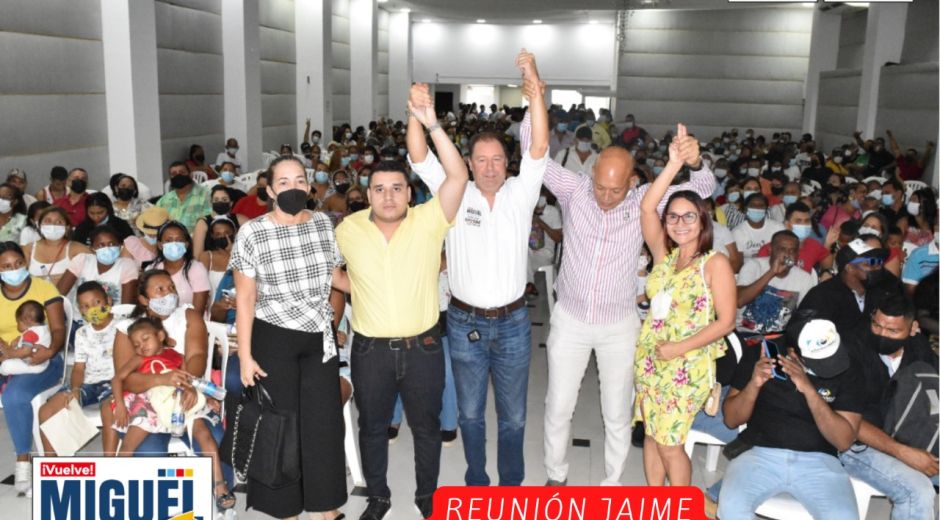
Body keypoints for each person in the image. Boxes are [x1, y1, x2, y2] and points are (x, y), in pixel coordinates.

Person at [406, 50, 548, 488]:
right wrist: (416, 112)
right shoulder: (455, 191)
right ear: (468, 163)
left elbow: (539, 144)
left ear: (509, 163)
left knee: (514, 416)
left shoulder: (521, 195)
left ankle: (510, 487)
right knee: (469, 413)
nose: (489, 168)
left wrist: (535, 85)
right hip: (465, 320)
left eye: (498, 160)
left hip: (513, 323)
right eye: (481, 160)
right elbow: (417, 155)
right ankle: (477, 483)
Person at [336, 89, 468, 518]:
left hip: (423, 349)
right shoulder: (348, 230)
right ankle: (378, 498)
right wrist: (355, 284)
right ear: (367, 193)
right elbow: (329, 272)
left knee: (427, 430)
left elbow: (458, 176)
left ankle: (428, 499)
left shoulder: (430, 220)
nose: (388, 196)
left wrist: (430, 124)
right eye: (379, 189)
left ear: (410, 194)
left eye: (397, 188)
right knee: (372, 429)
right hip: (370, 350)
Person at [230, 156, 347, 519]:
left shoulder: (325, 225)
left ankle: (324, 506)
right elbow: (246, 298)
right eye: (283, 182)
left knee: (323, 422)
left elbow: (336, 277)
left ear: (310, 186)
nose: (293, 188)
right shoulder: (253, 232)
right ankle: (286, 509)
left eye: (300, 180)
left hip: (319, 338)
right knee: (281, 424)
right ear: (269, 190)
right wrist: (246, 357)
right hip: (274, 337)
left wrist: (378, 286)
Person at [633, 126, 735, 487]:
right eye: (673, 217)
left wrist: (678, 348)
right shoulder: (664, 256)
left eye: (689, 216)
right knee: (650, 436)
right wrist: (674, 165)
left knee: (671, 445)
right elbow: (647, 206)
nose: (680, 223)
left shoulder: (714, 264)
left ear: (703, 220)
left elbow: (726, 322)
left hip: (685, 367)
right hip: (650, 360)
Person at [717, 318, 863, 520]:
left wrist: (809, 390)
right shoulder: (761, 355)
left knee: (844, 517)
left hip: (820, 462)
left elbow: (844, 441)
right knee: (731, 507)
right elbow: (731, 420)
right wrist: (755, 384)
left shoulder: (848, 364)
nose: (829, 367)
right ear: (793, 353)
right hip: (759, 454)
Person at [110, 317, 235, 512]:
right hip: (150, 404)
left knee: (206, 437)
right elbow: (118, 379)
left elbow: (191, 381)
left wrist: (206, 398)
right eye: (136, 344)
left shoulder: (176, 356)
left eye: (145, 339)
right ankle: (113, 489)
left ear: (160, 336)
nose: (141, 346)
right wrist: (119, 404)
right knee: (128, 445)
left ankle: (220, 485)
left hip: (179, 401)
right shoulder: (139, 359)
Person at [840, 295, 939, 520]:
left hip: (908, 436)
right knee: (918, 491)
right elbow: (846, 421)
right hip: (857, 444)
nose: (882, 334)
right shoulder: (851, 349)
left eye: (893, 331)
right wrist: (903, 452)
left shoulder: (918, 347)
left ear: (913, 328)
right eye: (877, 325)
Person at [0, 242, 67, 495]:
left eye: (18, 264)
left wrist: (50, 351)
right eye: (6, 266)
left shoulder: (42, 287)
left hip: (45, 358)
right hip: (9, 356)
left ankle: (23, 460)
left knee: (15, 396)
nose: (13, 270)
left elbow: (59, 329)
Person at [37, 281, 117, 455]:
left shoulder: (123, 327)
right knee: (47, 410)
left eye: (97, 302)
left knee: (109, 409)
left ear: (108, 301)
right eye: (86, 306)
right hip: (88, 383)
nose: (93, 309)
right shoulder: (82, 333)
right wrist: (75, 388)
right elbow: (79, 368)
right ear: (81, 311)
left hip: (115, 383)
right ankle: (52, 467)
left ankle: (111, 465)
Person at [799, 238, 902, 336]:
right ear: (850, 267)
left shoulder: (881, 292)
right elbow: (800, 330)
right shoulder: (823, 295)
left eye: (879, 262)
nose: (877, 268)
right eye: (871, 262)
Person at [736, 231, 816, 335]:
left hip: (780, 336)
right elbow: (740, 301)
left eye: (792, 251)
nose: (787, 254)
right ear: (770, 250)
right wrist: (771, 272)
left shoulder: (804, 278)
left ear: (797, 255)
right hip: (746, 333)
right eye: (782, 249)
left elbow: (805, 316)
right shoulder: (754, 266)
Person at [56, 225, 138, 307]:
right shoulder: (82, 260)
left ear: (120, 247)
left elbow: (127, 307)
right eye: (101, 245)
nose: (107, 248)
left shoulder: (127, 265)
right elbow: (58, 294)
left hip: (114, 318)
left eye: (112, 244)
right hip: (79, 317)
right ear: (92, 248)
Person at [148, 221, 210, 316]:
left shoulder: (196, 269)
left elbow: (197, 312)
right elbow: (146, 305)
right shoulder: (151, 270)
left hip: (191, 324)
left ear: (186, 244)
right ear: (160, 245)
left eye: (179, 240)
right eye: (168, 240)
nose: (174, 244)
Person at [756, 202, 832, 274]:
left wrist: (826, 272)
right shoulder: (770, 249)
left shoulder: (814, 245)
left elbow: (827, 258)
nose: (804, 225)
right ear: (787, 224)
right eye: (798, 221)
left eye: (807, 221)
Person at [24, 206, 90, 286]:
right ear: (40, 226)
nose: (53, 225)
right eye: (48, 221)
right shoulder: (29, 249)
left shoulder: (77, 249)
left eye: (58, 222)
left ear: (67, 227)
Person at [155, 162, 211, 233]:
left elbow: (210, 222)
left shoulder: (206, 195)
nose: (178, 175)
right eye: (174, 174)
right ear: (170, 178)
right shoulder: (163, 201)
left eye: (182, 172)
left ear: (190, 175)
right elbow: (155, 223)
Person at [192, 185, 245, 259]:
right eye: (216, 200)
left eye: (224, 199)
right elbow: (197, 256)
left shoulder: (239, 218)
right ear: (211, 202)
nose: (220, 202)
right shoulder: (202, 223)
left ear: (231, 203)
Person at [525, 192, 562, 298]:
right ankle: (527, 287)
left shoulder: (553, 212)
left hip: (545, 253)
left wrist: (541, 223)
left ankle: (527, 286)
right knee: (517, 256)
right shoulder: (524, 209)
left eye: (539, 210)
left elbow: (558, 238)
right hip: (527, 251)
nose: (537, 212)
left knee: (521, 262)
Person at [0, 300, 51, 375]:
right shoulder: (44, 329)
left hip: (33, 364)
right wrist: (18, 340)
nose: (17, 325)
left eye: (18, 322)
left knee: (5, 365)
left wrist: (9, 353)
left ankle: (4, 377)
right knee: (6, 359)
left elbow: (25, 352)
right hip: (43, 362)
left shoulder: (30, 333)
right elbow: (30, 343)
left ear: (26, 320)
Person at [732, 192, 784, 259]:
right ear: (745, 209)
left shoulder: (778, 228)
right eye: (753, 205)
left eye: (761, 205)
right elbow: (738, 260)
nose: (757, 208)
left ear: (766, 210)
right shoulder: (737, 232)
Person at [197, 216, 236, 305]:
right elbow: (201, 286)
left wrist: (233, 252)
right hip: (212, 309)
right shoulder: (206, 256)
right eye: (218, 234)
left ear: (233, 233)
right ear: (213, 236)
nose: (223, 236)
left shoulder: (241, 254)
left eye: (227, 233)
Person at [70, 192, 135, 246]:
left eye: (100, 212)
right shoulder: (82, 228)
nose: (96, 217)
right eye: (91, 213)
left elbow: (132, 246)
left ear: (108, 209)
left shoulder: (121, 225)